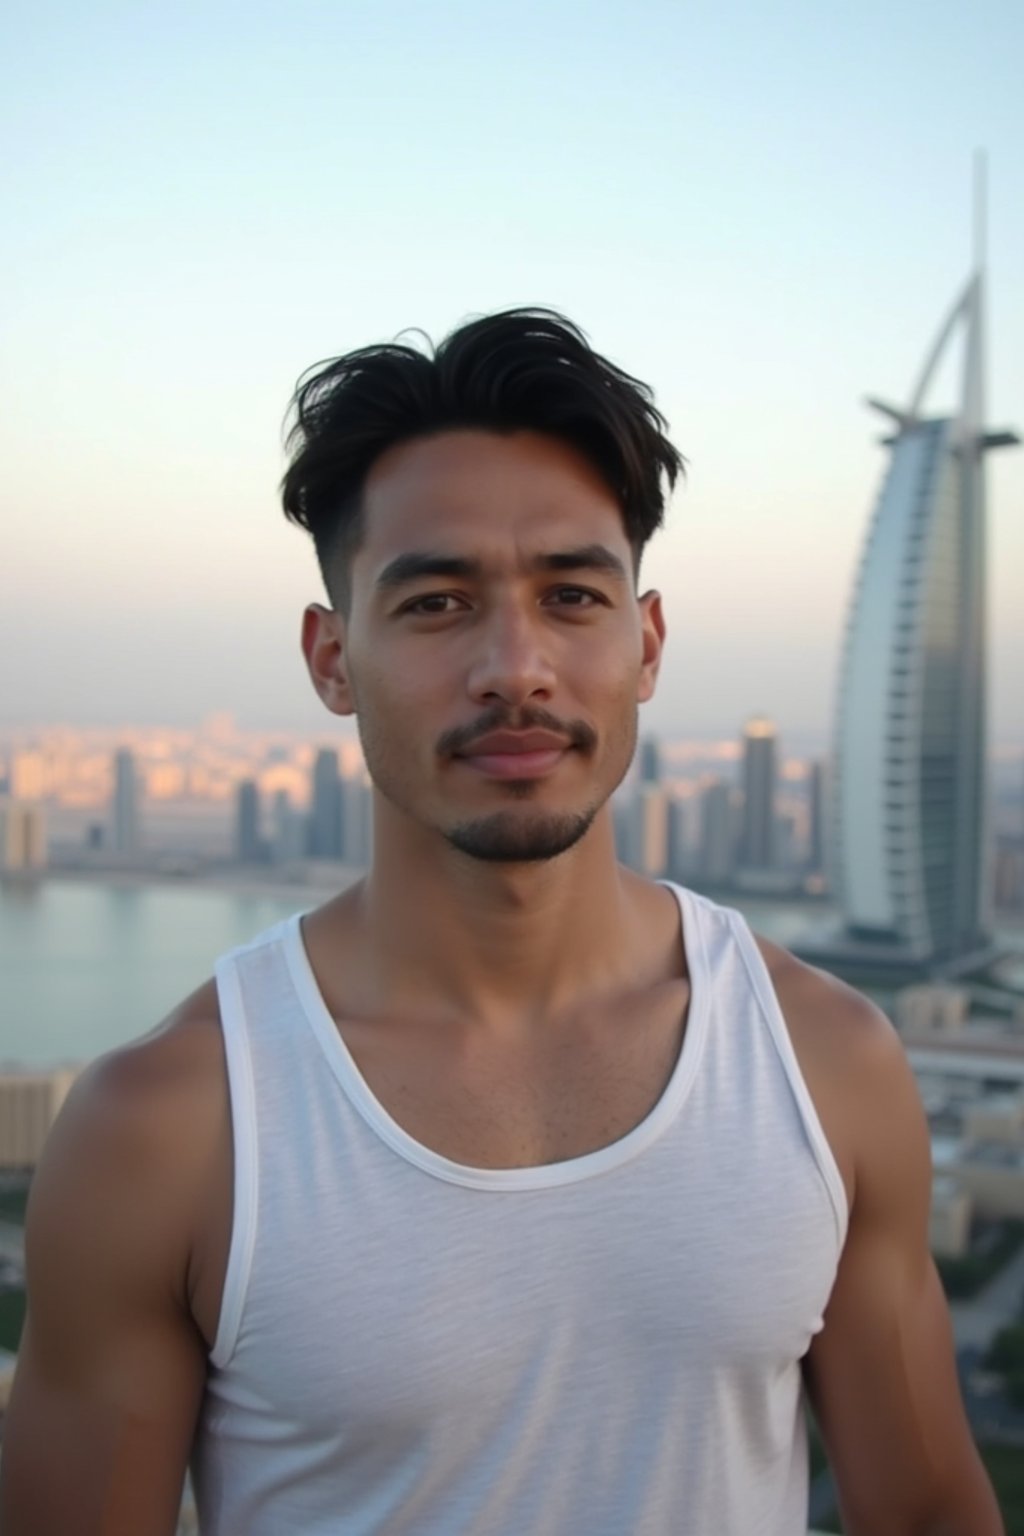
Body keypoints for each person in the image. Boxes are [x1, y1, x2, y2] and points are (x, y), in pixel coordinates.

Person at [0, 310, 1002, 1536]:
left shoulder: (825, 1063)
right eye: (434, 605)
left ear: (645, 643)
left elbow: (930, 1512)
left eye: (572, 595)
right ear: (330, 659)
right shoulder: (168, 1128)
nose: (515, 665)